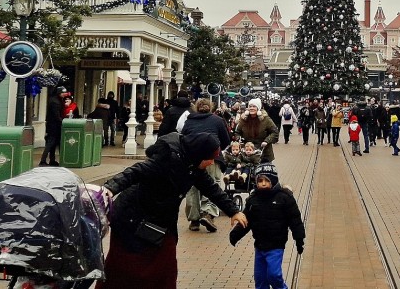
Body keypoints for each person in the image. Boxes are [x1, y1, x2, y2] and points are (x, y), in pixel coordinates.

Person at [100, 133, 248, 289]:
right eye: (209, 158)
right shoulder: (167, 159)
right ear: (199, 154)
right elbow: (136, 171)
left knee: (166, 268)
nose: (211, 163)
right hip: (131, 218)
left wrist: (233, 211)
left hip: (161, 221)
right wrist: (110, 188)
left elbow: (211, 188)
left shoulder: (193, 165)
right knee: (122, 267)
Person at [229, 163, 305, 289]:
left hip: (276, 246)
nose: (263, 183)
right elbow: (246, 220)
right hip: (259, 246)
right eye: (260, 181)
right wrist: (236, 234)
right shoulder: (253, 200)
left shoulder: (284, 198)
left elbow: (295, 220)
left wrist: (299, 239)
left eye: (266, 180)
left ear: (273, 181)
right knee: (260, 279)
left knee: (274, 275)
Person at [181, 98, 231, 233]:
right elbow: (226, 140)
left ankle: (194, 220)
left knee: (193, 187)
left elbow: (183, 138)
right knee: (212, 184)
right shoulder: (218, 120)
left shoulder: (189, 121)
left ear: (196, 108)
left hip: (192, 158)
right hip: (212, 157)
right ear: (211, 107)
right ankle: (208, 213)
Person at [234, 98, 279, 163]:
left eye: (254, 106)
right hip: (247, 152)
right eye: (250, 106)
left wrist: (267, 141)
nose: (252, 108)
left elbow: (275, 132)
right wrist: (239, 139)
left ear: (258, 108)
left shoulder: (265, 119)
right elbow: (237, 132)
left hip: (264, 152)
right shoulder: (244, 119)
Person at [39, 86, 67, 166]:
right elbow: (56, 115)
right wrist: (62, 121)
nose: (64, 94)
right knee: (50, 143)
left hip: (53, 125)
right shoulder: (55, 102)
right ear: (59, 93)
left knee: (53, 144)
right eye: (62, 93)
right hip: (53, 126)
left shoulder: (56, 100)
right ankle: (43, 160)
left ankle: (52, 160)